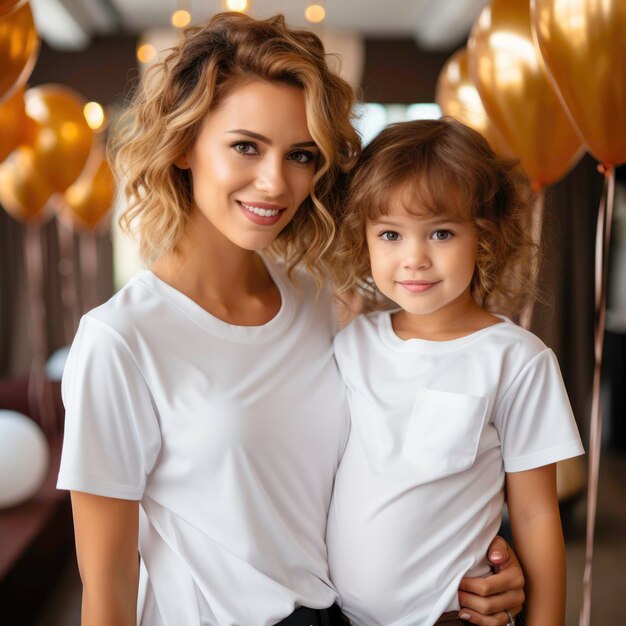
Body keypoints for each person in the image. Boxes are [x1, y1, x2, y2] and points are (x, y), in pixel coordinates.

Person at [57, 14, 525, 626]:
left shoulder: (323, 300)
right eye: (246, 146)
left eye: (300, 154)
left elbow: (392, 474)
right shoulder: (120, 341)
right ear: (182, 146)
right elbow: (109, 589)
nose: (275, 182)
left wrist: (486, 562)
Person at [326, 118, 585, 626]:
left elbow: (535, 514)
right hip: (340, 617)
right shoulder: (350, 342)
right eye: (390, 234)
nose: (414, 258)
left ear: (483, 238)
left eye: (441, 232)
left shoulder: (517, 360)